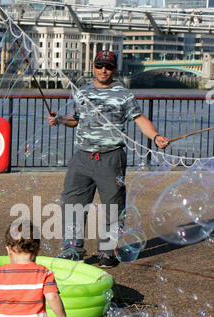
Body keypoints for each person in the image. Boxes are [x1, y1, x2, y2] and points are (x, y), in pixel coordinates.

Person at [47, 50, 169, 268]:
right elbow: (76, 119)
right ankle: (72, 250)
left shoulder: (124, 94)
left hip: (111, 158)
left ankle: (107, 252)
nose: (104, 70)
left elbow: (140, 119)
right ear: (93, 66)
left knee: (113, 206)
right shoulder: (81, 92)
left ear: (114, 69)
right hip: (82, 157)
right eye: (100, 65)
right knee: (72, 204)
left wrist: (156, 136)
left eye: (109, 66)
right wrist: (59, 119)